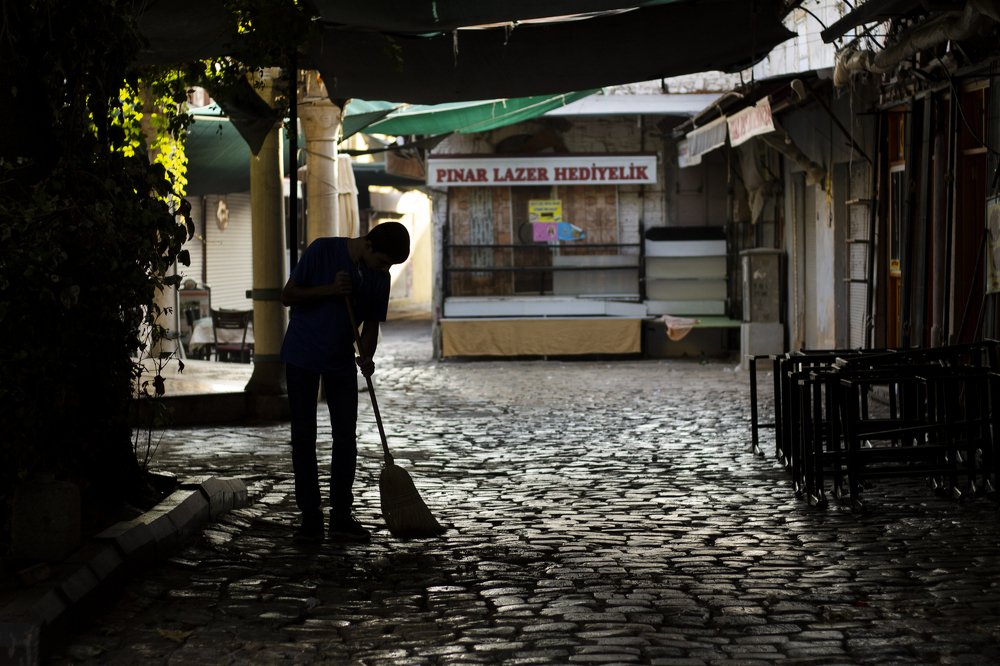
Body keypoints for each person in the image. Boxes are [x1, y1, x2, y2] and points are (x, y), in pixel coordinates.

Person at [280, 222, 410, 543]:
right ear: (367, 244)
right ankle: (310, 516)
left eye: (389, 266)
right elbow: (288, 295)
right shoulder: (323, 250)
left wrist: (366, 355)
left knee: (345, 437)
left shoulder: (380, 277)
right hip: (302, 354)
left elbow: (371, 327)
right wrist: (330, 290)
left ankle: (341, 515)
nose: (384, 269)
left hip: (340, 361)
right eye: (382, 261)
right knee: (304, 436)